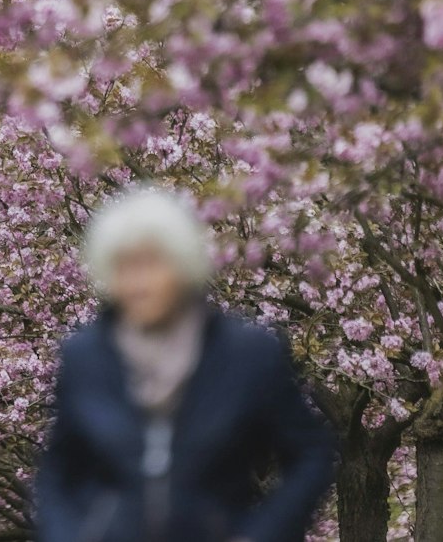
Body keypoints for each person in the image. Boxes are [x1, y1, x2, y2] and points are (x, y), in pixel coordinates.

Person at [33, 185, 336, 542]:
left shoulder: (248, 354)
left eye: (150, 265)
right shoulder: (84, 356)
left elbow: (311, 455)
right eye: (123, 267)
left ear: (182, 265)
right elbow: (57, 474)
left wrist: (263, 534)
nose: (137, 284)